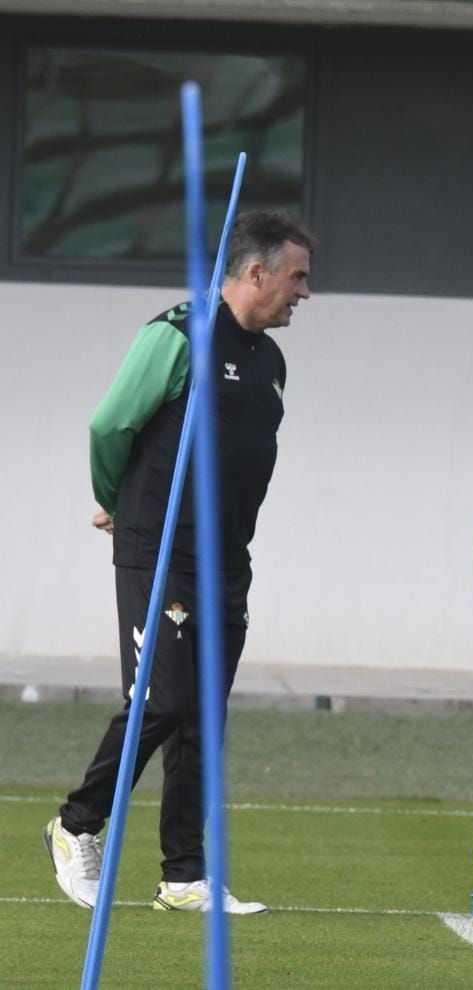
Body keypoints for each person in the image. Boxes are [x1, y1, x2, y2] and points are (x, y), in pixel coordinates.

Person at [44, 209, 314, 916]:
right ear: (256, 273)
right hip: (159, 551)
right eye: (298, 277)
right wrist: (119, 502)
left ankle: (185, 876)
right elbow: (111, 426)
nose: (305, 293)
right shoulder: (176, 334)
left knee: (200, 717)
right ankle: (75, 826)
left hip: (227, 560)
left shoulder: (271, 362)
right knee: (160, 699)